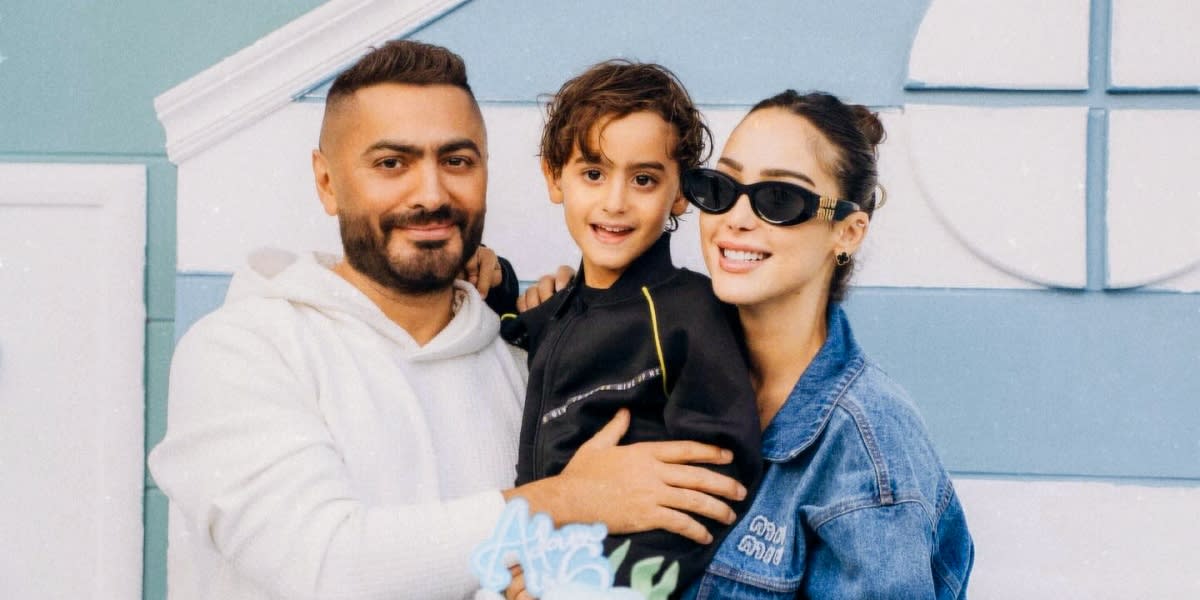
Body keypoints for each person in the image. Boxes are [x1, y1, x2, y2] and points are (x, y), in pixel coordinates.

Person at [147, 40, 748, 600]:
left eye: (456, 161)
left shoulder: (525, 357)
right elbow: (325, 564)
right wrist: (566, 500)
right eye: (392, 163)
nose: (431, 194)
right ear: (328, 183)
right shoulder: (243, 350)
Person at [675, 90, 975, 598]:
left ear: (848, 232)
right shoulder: (666, 363)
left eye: (779, 198)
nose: (736, 218)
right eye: (721, 187)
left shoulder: (867, 442)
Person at [499, 61, 762, 593]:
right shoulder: (558, 309)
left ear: (680, 193)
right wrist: (495, 280)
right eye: (593, 174)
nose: (615, 202)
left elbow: (712, 486)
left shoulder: (691, 312)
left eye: (644, 179)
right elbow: (506, 329)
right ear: (554, 177)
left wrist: (584, 582)